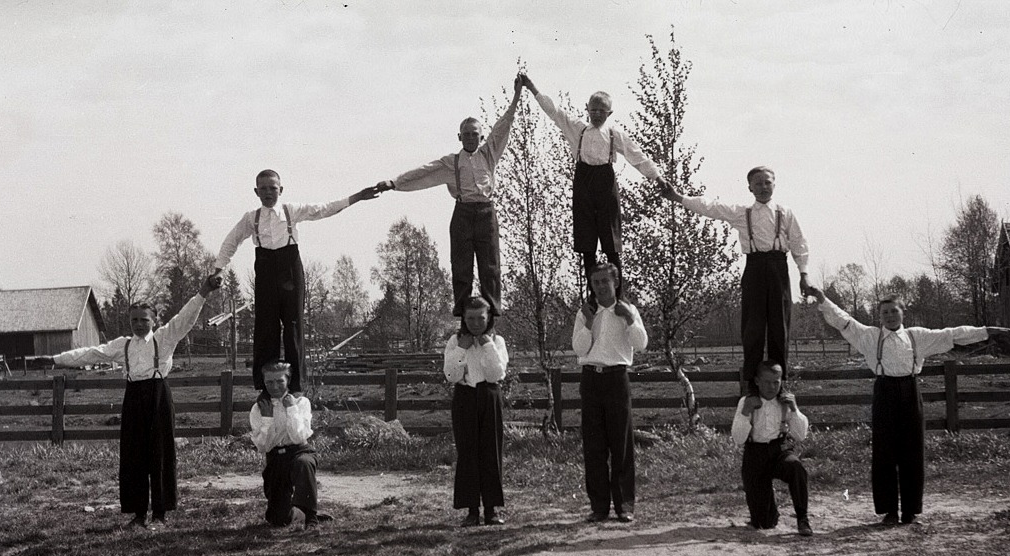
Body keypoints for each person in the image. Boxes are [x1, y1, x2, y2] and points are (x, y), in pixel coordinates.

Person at [808, 286, 1010, 526]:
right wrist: (822, 299)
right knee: (884, 453)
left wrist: (986, 332)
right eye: (884, 313)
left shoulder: (918, 337)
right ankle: (888, 512)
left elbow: (952, 334)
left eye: (893, 311)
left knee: (912, 452)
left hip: (910, 391)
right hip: (884, 393)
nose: (889, 316)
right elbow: (843, 320)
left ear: (902, 313)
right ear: (880, 316)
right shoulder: (870, 336)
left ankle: (910, 512)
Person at [36, 276, 219, 528]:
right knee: (133, 455)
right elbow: (91, 353)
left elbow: (186, 317)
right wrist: (55, 359)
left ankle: (160, 514)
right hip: (133, 397)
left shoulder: (164, 338)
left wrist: (204, 291)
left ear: (154, 321)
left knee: (161, 453)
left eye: (145, 320)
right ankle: (138, 513)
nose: (139, 324)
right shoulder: (123, 345)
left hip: (158, 396)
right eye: (134, 320)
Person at [212, 170, 379, 393]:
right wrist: (219, 269)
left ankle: (297, 386)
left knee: (293, 325)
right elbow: (231, 241)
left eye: (273, 188)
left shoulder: (292, 211)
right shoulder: (251, 218)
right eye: (263, 189)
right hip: (265, 267)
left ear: (281, 190)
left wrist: (356, 197)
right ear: (256, 192)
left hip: (290, 267)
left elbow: (324, 209)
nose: (268, 193)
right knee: (265, 326)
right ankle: (265, 386)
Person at [520, 74, 680, 300]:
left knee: (611, 242)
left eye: (601, 111)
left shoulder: (615, 134)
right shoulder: (577, 129)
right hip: (583, 181)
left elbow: (637, 157)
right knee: (586, 243)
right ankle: (593, 297)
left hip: (605, 182)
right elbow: (553, 111)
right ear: (587, 109)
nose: (596, 114)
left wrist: (658, 178)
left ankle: (618, 294)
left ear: (609, 113)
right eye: (592, 110)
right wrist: (532, 87)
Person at [376, 75, 523, 317]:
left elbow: (505, 123)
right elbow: (424, 172)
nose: (470, 138)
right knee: (462, 266)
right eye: (466, 134)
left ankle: (491, 316)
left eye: (474, 133)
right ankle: (464, 317)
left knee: (490, 266)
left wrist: (517, 93)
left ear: (481, 136)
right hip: (463, 213)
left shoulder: (490, 153)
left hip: (486, 213)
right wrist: (394, 183)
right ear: (459, 137)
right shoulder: (451, 163)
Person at [664, 167, 810, 394]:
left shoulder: (786, 213)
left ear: (774, 184)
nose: (763, 187)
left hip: (779, 268)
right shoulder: (743, 213)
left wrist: (804, 274)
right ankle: (751, 386)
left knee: (779, 328)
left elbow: (799, 243)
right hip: (754, 268)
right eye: (758, 183)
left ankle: (780, 386)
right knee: (753, 328)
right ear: (750, 187)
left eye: (767, 183)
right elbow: (711, 207)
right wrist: (679, 198)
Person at [572, 262, 648, 523]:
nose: (601, 287)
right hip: (591, 379)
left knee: (621, 444)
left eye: (606, 281)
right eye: (596, 282)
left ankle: (624, 505)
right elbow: (580, 349)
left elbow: (641, 344)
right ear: (591, 285)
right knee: (594, 446)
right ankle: (599, 506)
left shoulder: (628, 310)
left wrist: (628, 319)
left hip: (616, 379)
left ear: (616, 283)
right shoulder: (585, 313)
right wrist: (589, 323)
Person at [442, 296, 509, 527]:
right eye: (470, 318)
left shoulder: (497, 341)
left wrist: (487, 344)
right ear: (463, 318)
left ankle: (491, 509)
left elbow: (496, 374)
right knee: (468, 452)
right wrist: (462, 348)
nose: (475, 323)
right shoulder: (455, 341)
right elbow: (451, 375)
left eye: (480, 318)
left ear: (488, 317)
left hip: (489, 395)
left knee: (491, 450)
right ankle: (471, 510)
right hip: (465, 397)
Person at [731, 361, 812, 536]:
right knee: (763, 524)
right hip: (755, 454)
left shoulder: (785, 401)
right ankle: (768, 511)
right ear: (757, 381)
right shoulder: (746, 401)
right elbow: (738, 439)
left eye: (776, 382)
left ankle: (803, 519)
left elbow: (800, 436)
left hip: (779, 451)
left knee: (796, 467)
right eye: (767, 382)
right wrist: (746, 411)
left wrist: (795, 409)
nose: (772, 387)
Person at [248, 361, 326, 529]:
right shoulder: (258, 408)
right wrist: (267, 418)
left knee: (303, 464)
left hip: (300, 451)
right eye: (269, 382)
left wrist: (291, 409)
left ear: (288, 380)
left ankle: (311, 517)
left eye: (279, 381)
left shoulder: (301, 402)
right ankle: (298, 513)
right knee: (277, 520)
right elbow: (263, 447)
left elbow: (299, 437)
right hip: (276, 457)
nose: (274, 386)